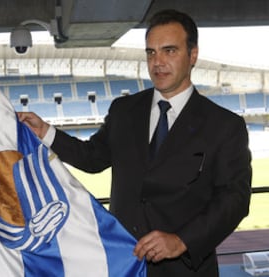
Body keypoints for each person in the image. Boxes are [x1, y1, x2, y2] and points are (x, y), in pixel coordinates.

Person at [18, 9, 252, 277]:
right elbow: (92, 157)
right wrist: (46, 132)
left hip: (185, 270)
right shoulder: (124, 110)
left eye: (169, 51)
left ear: (193, 55)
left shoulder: (224, 125)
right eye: (151, 52)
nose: (158, 62)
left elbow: (234, 199)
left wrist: (182, 240)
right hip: (123, 265)